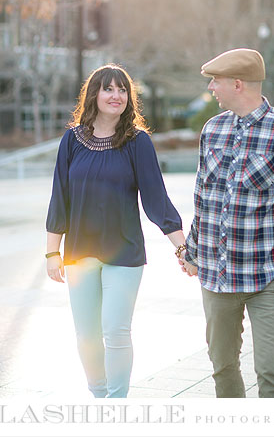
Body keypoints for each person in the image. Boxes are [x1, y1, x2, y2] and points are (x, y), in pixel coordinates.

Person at [45, 63, 187, 398]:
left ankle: (116, 406)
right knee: (86, 334)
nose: (116, 95)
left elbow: (156, 200)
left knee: (116, 331)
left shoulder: (137, 142)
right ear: (93, 94)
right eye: (109, 88)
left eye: (123, 90)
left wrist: (182, 247)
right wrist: (52, 251)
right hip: (79, 253)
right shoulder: (71, 141)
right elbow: (59, 199)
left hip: (123, 253)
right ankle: (99, 397)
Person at [179, 48, 274, 398]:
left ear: (237, 84)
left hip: (267, 278)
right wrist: (191, 250)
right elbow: (204, 199)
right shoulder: (212, 130)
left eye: (215, 82)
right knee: (222, 368)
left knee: (271, 373)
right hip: (216, 277)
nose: (211, 89)